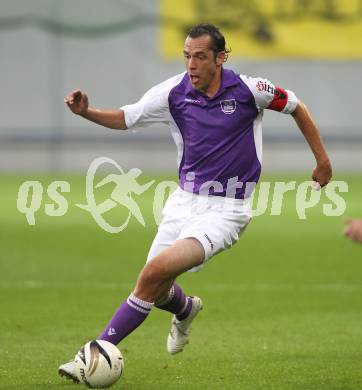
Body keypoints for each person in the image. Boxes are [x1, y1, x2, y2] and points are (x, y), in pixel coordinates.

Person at [59, 23, 332, 382]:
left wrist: (323, 161)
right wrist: (86, 112)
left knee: (153, 274)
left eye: (200, 56)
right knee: (154, 290)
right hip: (182, 203)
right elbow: (128, 117)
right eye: (187, 55)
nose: (191, 64)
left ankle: (94, 353)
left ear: (220, 58)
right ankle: (185, 308)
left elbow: (296, 106)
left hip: (227, 211)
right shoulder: (173, 92)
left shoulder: (250, 90)